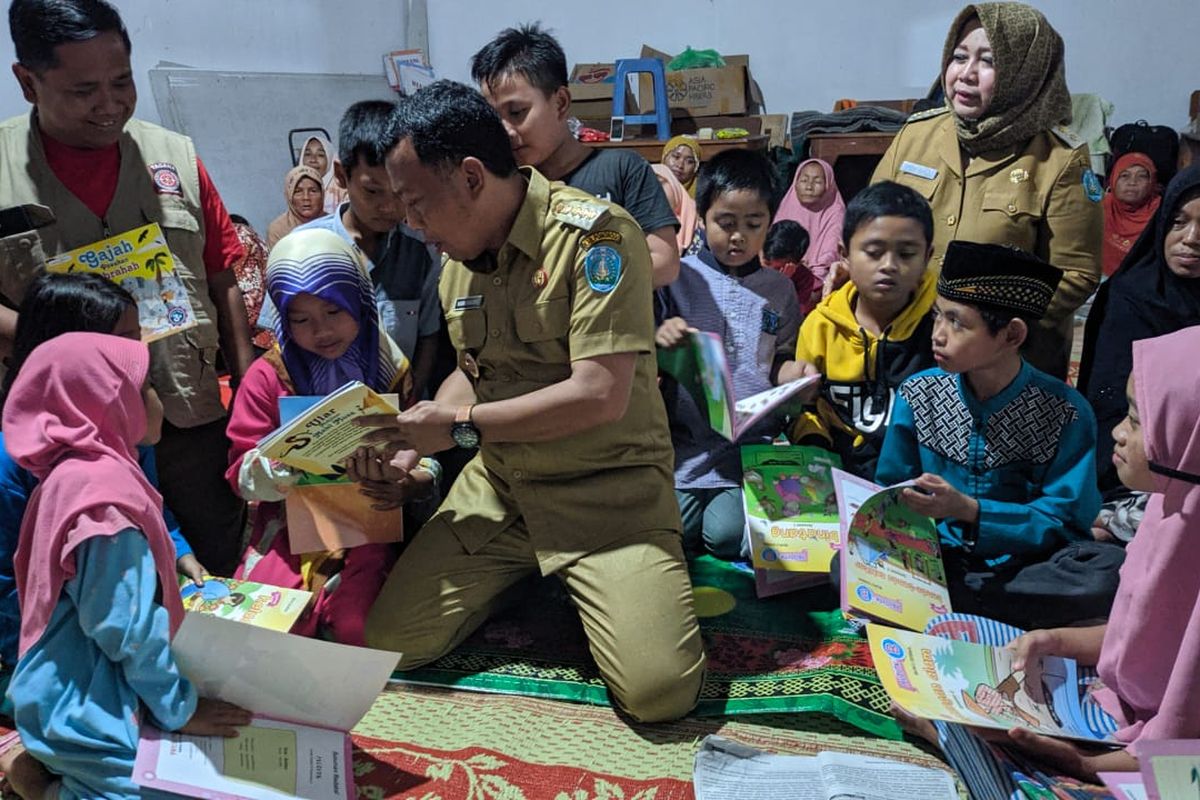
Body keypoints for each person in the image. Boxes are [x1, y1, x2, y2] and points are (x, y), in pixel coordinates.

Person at [360, 81, 705, 723]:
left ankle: (581, 580)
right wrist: (412, 443)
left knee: (659, 693)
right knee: (392, 643)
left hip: (607, 495)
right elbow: (473, 375)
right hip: (505, 491)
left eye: (416, 204)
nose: (411, 224)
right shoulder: (457, 263)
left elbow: (598, 395)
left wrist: (456, 428)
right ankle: (530, 578)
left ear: (470, 178)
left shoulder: (598, 238)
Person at [0, 0, 255, 578]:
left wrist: (246, 381)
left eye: (121, 81)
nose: (110, 104)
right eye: (84, 90)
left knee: (216, 567)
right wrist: (61, 342)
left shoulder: (175, 158)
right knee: (98, 579)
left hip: (187, 413)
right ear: (27, 82)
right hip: (66, 435)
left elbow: (221, 274)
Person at [910, 326, 1200, 790]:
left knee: (988, 754)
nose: (1118, 433)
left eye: (1135, 420)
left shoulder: (1061, 410)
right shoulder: (1168, 511)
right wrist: (1055, 640)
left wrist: (1079, 764)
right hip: (1121, 706)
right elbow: (1148, 636)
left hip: (1165, 761)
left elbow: (1188, 766)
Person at [0, 332, 251, 799]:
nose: (158, 401)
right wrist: (180, 709)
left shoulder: (75, 470)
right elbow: (124, 627)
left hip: (66, 682)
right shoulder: (104, 503)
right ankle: (43, 780)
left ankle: (48, 763)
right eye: (146, 388)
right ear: (105, 403)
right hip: (85, 711)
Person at [0, 272, 206, 717]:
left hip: (96, 654)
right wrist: (175, 706)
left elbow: (148, 506)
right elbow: (117, 621)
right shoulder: (81, 481)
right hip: (79, 670)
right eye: (121, 344)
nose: (151, 389)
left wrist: (177, 551)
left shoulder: (111, 438)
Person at [876, 241, 1111, 629]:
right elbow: (892, 489)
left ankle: (944, 607)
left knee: (1104, 573)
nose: (938, 335)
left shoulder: (1065, 411)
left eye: (957, 323)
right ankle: (974, 605)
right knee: (846, 564)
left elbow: (1066, 521)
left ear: (1011, 335)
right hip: (938, 556)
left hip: (1024, 565)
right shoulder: (919, 393)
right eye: (937, 316)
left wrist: (971, 511)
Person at [226, 229, 436, 647]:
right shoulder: (268, 376)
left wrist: (409, 480)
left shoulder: (389, 367)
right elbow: (240, 473)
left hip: (369, 528)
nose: (321, 331)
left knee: (359, 628)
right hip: (289, 529)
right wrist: (281, 465)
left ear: (359, 299)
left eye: (334, 310)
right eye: (300, 320)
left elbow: (422, 447)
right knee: (261, 632)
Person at [870, 2, 1102, 380]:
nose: (966, 74)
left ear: (1024, 72)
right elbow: (870, 225)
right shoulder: (916, 134)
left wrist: (986, 329)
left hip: (1006, 367)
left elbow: (1075, 273)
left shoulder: (1059, 159)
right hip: (908, 349)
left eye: (989, 61)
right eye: (959, 57)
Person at [656, 150, 802, 560]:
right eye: (726, 223)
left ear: (770, 222)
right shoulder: (679, 276)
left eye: (753, 225)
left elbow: (779, 358)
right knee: (674, 529)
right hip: (684, 443)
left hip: (746, 448)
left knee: (722, 536)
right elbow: (650, 346)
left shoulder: (779, 289)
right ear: (702, 217)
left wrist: (794, 374)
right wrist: (662, 337)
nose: (738, 236)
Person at [470, 23, 681, 289]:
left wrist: (574, 288)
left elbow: (664, 263)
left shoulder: (622, 169)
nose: (506, 131)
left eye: (516, 112)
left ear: (560, 102)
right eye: (494, 118)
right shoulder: (506, 185)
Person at [784, 181, 937, 479]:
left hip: (915, 480)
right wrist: (815, 446)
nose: (889, 265)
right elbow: (806, 409)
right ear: (844, 254)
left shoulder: (940, 330)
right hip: (836, 474)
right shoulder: (820, 327)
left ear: (927, 257)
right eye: (874, 252)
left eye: (906, 254)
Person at [297, 100, 442, 400]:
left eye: (400, 192)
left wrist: (412, 397)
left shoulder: (422, 251)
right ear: (341, 175)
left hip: (401, 411)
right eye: (372, 191)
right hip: (325, 411)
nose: (388, 207)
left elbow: (428, 335)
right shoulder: (303, 249)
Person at [1078, 165, 1200, 497]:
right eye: (1178, 222)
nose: (1191, 239)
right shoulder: (1128, 297)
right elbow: (1105, 399)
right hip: (1122, 472)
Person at [773, 158, 845, 291]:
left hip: (819, 280)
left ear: (828, 185)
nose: (809, 187)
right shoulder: (787, 206)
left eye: (817, 182)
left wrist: (807, 272)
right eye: (804, 180)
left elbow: (831, 252)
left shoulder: (835, 212)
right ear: (795, 182)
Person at [1101, 152, 1160, 277]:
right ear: (1113, 179)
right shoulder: (1100, 206)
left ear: (1152, 182)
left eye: (1142, 176)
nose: (1132, 182)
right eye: (1124, 176)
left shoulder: (1161, 213)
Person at [228, 213, 274, 351]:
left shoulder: (240, 237)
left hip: (256, 341)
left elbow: (251, 304)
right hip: (259, 337)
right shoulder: (251, 238)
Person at [761, 219, 818, 315]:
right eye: (766, 263)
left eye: (778, 269)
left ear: (797, 264)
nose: (769, 271)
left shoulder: (804, 279)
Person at [266, 165, 324, 248]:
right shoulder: (278, 229)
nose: (306, 197)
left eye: (313, 191)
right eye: (298, 192)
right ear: (289, 196)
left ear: (322, 194)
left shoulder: (335, 224)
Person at [651, 164, 702, 256]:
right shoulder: (641, 227)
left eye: (660, 185)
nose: (655, 194)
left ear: (673, 185)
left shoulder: (702, 218)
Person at [299, 132, 346, 216]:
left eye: (320, 155)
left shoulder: (342, 190)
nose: (313, 160)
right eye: (308, 154)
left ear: (330, 159)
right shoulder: (295, 188)